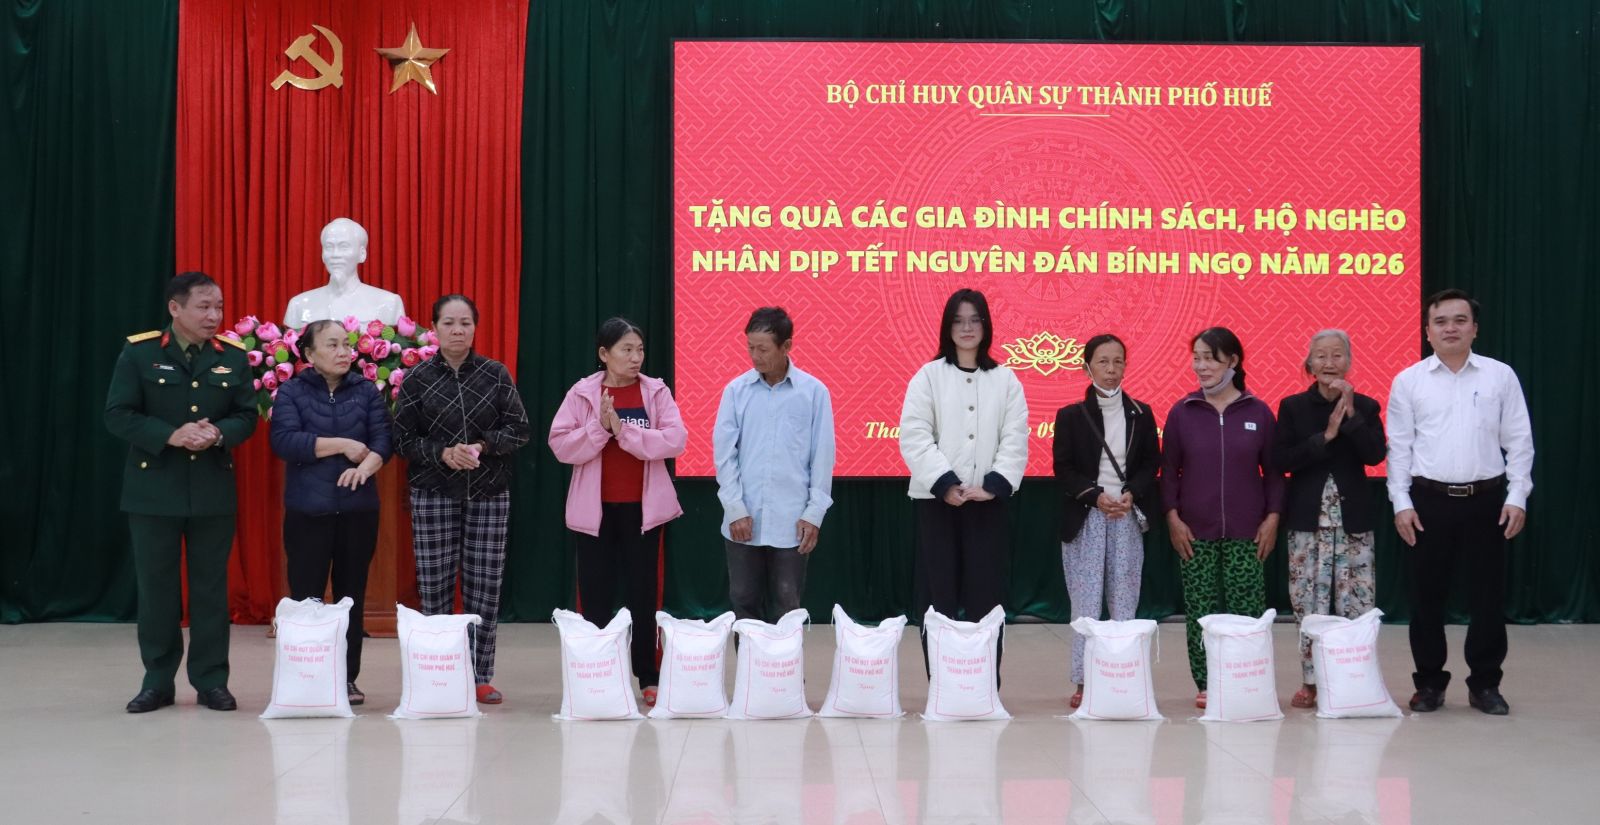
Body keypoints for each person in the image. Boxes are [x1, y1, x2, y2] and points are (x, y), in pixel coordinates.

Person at [104, 271, 258, 713]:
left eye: (219, 307)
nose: (214, 316)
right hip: (154, 490)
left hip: (211, 489)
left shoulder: (233, 357)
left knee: (211, 590)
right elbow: (118, 414)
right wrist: (170, 435)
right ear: (175, 308)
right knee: (158, 591)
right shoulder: (140, 353)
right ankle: (157, 681)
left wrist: (218, 434)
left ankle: (211, 681)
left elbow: (247, 416)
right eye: (204, 307)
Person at [1388, 288, 1533, 716]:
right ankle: (1429, 683)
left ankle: (1485, 684)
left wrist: (1517, 495)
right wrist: (1401, 503)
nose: (1450, 328)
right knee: (1426, 599)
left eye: (1459, 320)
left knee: (1487, 598)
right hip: (1427, 502)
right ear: (1427, 331)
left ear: (1474, 328)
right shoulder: (1409, 381)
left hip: (1486, 501)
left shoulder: (1500, 376)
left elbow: (1519, 440)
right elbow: (1400, 447)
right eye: (1441, 321)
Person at [393, 294, 530, 705]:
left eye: (465, 323)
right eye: (449, 323)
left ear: (475, 327)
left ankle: (480, 675)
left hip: (489, 493)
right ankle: (439, 673)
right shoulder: (416, 378)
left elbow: (520, 430)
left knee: (484, 587)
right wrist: (442, 453)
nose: (457, 330)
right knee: (434, 586)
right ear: (434, 328)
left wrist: (483, 446)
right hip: (432, 492)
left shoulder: (495, 374)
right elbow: (401, 439)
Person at [549, 317, 686, 709]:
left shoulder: (655, 391)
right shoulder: (583, 393)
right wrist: (599, 428)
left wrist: (623, 431)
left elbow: (674, 441)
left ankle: (648, 675)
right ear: (604, 354)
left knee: (644, 595)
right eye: (626, 349)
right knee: (595, 596)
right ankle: (599, 676)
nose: (635, 357)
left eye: (639, 349)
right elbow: (561, 445)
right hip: (595, 513)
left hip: (644, 512)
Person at [899, 289, 1029, 673]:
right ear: (947, 327)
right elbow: (915, 435)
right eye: (958, 320)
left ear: (986, 325)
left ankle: (984, 684)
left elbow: (1015, 437)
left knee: (986, 598)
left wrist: (993, 485)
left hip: (987, 506)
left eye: (975, 320)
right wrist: (944, 483)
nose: (967, 328)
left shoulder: (1005, 379)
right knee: (937, 598)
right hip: (937, 505)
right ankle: (942, 683)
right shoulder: (928, 376)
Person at [269, 318, 392, 705]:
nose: (343, 352)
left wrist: (364, 468)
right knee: (306, 599)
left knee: (350, 597)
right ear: (309, 353)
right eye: (332, 345)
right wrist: (342, 444)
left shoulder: (366, 390)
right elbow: (285, 441)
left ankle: (346, 678)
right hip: (309, 511)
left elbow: (383, 440)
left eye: (347, 345)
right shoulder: (292, 391)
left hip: (358, 510)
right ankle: (306, 678)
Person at [1161, 327, 1283, 709]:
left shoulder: (1258, 412)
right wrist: (1172, 518)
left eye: (1210, 358)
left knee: (1247, 610)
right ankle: (1206, 683)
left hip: (1248, 532)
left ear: (1233, 361)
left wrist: (1273, 518)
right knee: (1201, 611)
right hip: (1195, 532)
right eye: (1196, 357)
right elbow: (1169, 473)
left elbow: (1274, 474)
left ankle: (1246, 679)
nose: (1201, 366)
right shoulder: (1182, 412)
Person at [1272, 329, 1387, 708]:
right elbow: (1281, 459)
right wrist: (1326, 437)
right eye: (1321, 356)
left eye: (1337, 355)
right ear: (1309, 364)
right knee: (1309, 603)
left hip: (1353, 522)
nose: (1329, 363)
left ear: (1349, 362)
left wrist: (1351, 416)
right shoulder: (1292, 407)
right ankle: (1311, 682)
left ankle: (1355, 678)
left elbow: (1375, 455)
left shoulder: (1366, 406)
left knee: (1357, 602)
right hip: (1307, 522)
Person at [1052, 334, 1160, 709]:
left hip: (1126, 515)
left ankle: (1121, 673)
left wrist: (1131, 493)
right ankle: (1084, 680)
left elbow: (1150, 463)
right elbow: (1063, 468)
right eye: (1103, 362)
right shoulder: (1070, 416)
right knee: (1085, 604)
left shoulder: (1142, 413)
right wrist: (1095, 496)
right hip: (1087, 516)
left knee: (1124, 600)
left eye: (1118, 361)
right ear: (1087, 367)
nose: (1111, 370)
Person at [714, 307, 836, 624]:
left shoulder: (814, 393)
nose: (755, 356)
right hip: (744, 516)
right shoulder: (736, 391)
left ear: (786, 346)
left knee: (787, 605)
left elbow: (822, 456)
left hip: (792, 519)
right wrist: (735, 508)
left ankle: (786, 660)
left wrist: (814, 513)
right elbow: (724, 455)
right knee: (744, 603)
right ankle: (748, 660)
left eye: (763, 349)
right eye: (750, 348)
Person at [283, 217, 406, 327]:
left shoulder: (389, 303)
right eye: (329, 247)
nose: (335, 254)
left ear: (362, 254)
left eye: (344, 247)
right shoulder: (299, 305)